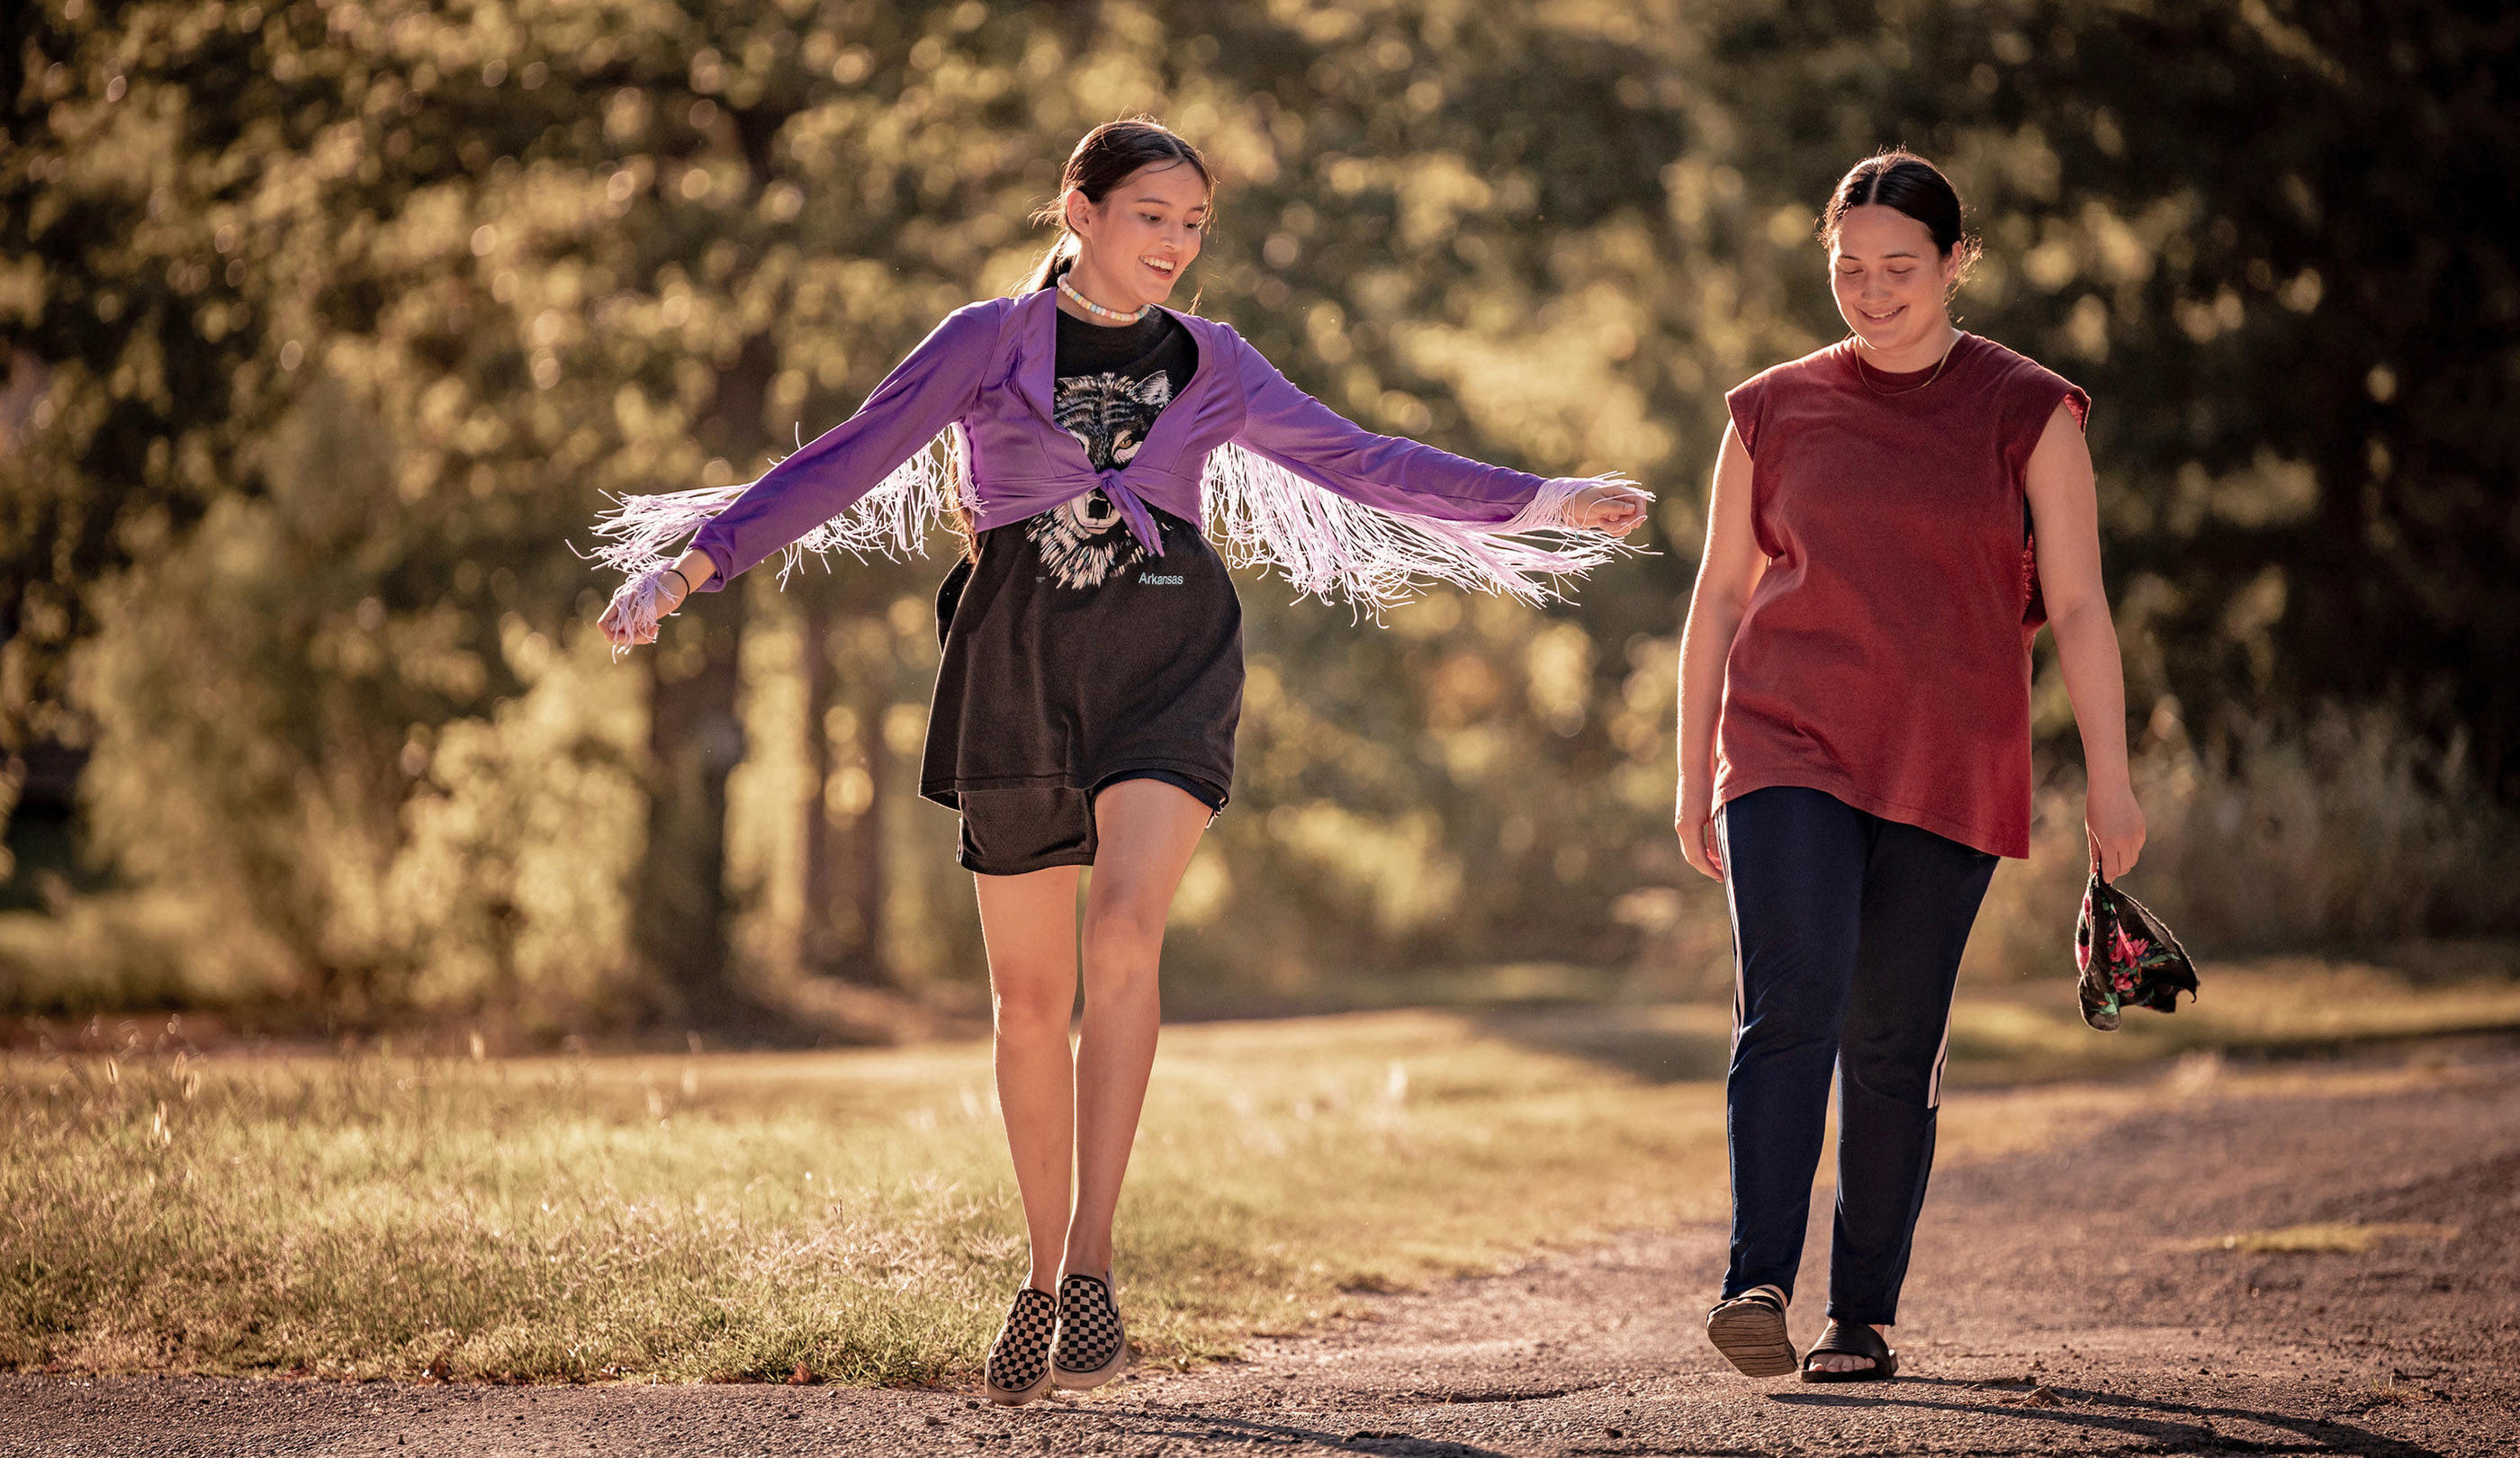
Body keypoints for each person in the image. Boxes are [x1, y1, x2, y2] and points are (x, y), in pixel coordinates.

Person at [594, 118, 1649, 1405]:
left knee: (1124, 939)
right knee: (1030, 1003)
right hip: (1016, 667)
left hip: (1169, 659)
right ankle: (1042, 1279)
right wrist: (693, 561)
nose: (1177, 243)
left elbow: (1366, 460)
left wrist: (1541, 498)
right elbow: (844, 459)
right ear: (1078, 210)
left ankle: (1094, 1258)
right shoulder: (987, 341)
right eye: (1153, 215)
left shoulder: (1217, 360)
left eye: (1195, 223)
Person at [1673, 149, 2142, 1383]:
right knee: (1791, 1004)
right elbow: (1720, 597)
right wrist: (1691, 771)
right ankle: (1755, 1283)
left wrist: (2112, 781)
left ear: (1954, 264)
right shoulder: (1768, 410)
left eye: (1898, 269)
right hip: (1785, 742)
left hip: (1951, 757)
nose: (1871, 292)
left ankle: (1860, 1313)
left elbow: (2083, 607)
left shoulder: (2029, 409)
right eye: (1848, 269)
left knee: (1890, 1040)